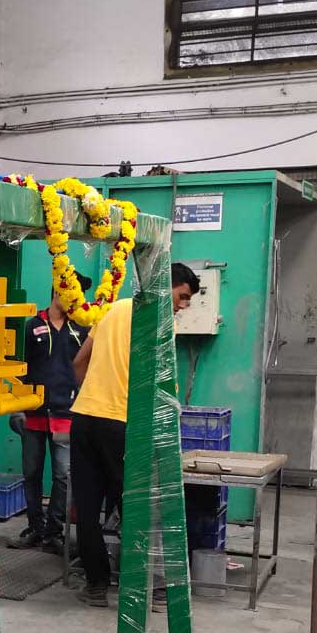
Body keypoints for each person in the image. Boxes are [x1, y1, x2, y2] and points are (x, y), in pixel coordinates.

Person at [68, 261, 200, 608]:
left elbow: (79, 362)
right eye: (182, 296)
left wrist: (93, 393)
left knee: (87, 509)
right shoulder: (159, 320)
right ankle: (149, 587)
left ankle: (96, 586)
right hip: (122, 423)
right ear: (166, 286)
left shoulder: (110, 310)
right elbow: (159, 380)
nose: (183, 305)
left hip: (85, 418)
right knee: (136, 507)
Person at [7, 271, 91, 556]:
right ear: (58, 291)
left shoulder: (81, 329)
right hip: (33, 412)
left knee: (63, 475)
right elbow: (18, 368)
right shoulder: (32, 326)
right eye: (74, 294)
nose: (78, 301)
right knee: (31, 473)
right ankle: (35, 528)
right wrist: (18, 406)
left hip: (66, 413)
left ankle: (54, 532)